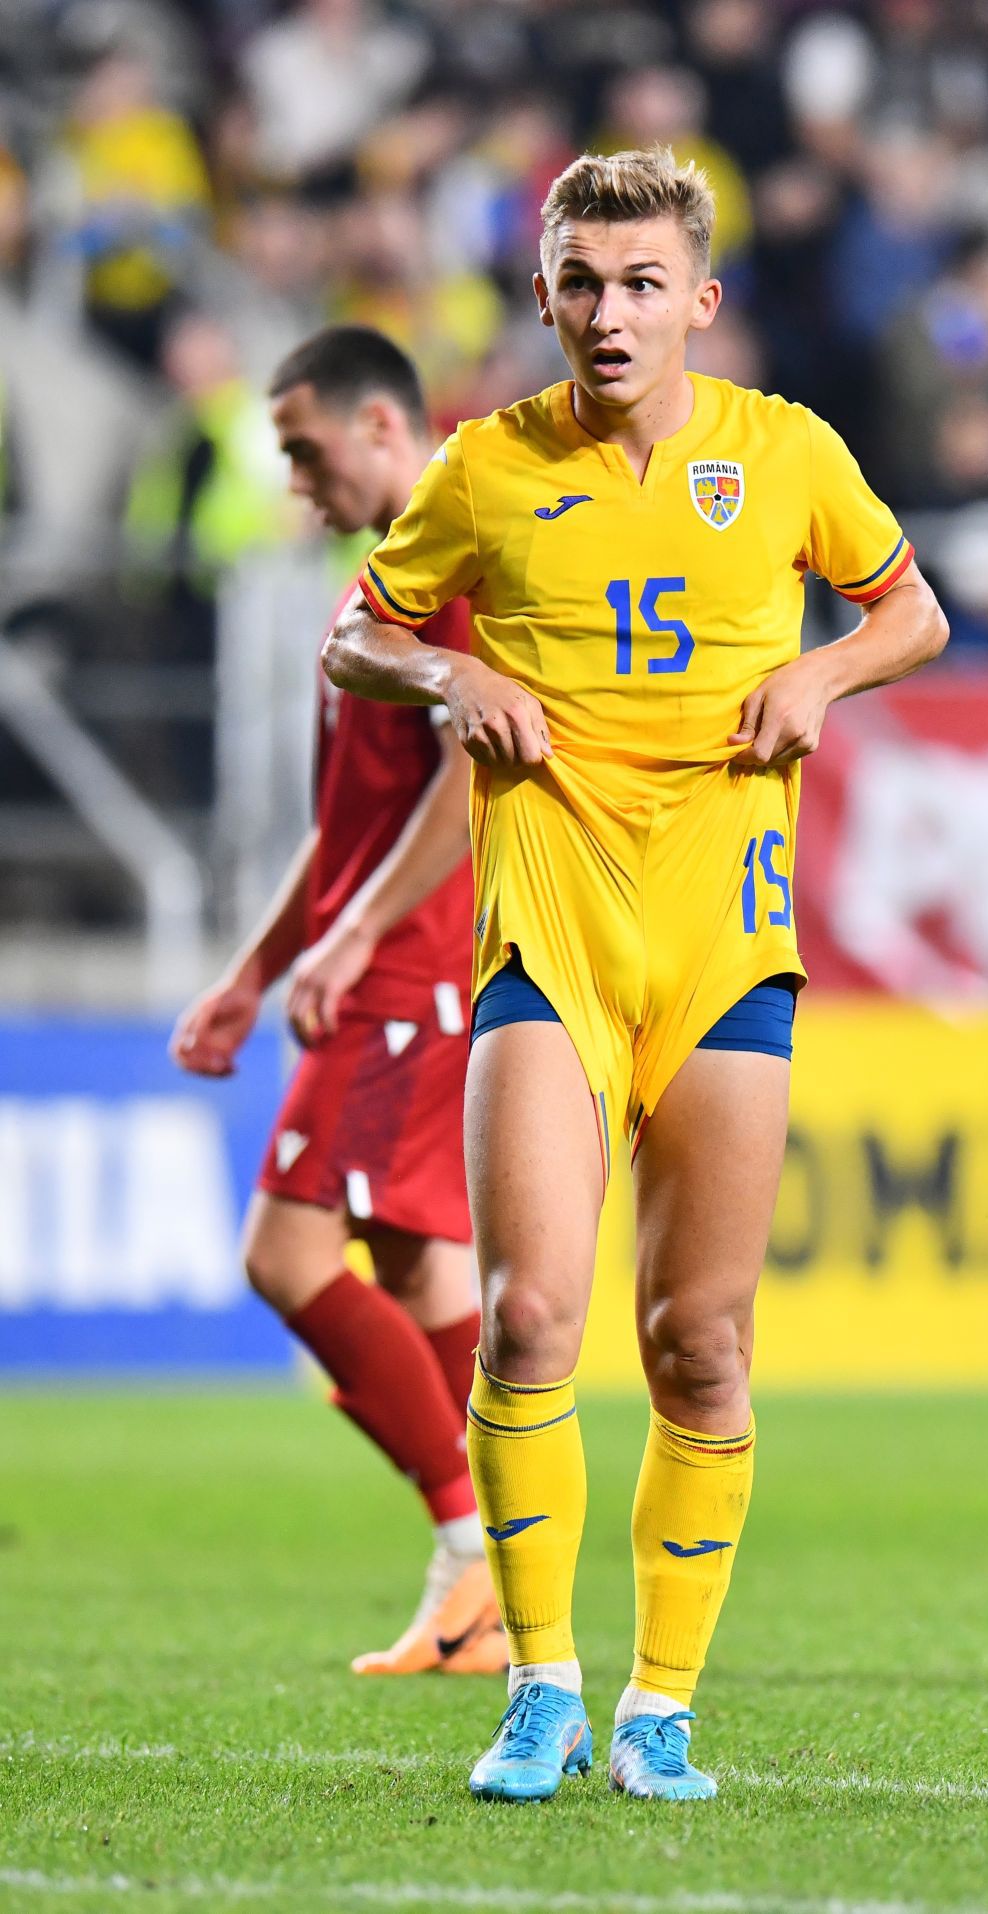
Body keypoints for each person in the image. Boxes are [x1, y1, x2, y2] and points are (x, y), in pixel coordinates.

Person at [323, 150, 948, 1801]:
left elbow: (913, 614)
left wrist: (825, 668)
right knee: (529, 1314)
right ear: (542, 294)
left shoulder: (788, 451)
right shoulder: (484, 467)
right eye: (582, 283)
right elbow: (354, 633)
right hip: (553, 934)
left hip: (729, 943)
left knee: (700, 1340)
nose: (611, 314)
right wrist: (446, 676)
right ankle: (543, 1687)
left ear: (700, 303)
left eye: (642, 283)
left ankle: (663, 1704)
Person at [171, 325, 505, 1679]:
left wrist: (357, 937)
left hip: (410, 974)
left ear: (383, 426)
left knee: (284, 1256)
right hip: (383, 962)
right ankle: (499, 1586)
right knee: (419, 1272)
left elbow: (467, 783)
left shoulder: (454, 563)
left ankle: (478, 1555)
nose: (296, 484)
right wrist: (254, 969)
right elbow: (349, 822)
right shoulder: (381, 578)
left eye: (306, 453)